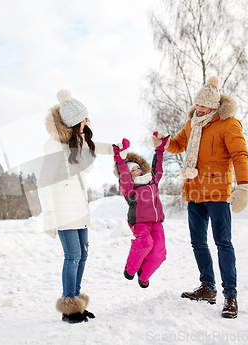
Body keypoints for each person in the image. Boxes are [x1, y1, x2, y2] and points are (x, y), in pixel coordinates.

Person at [154, 76, 248, 319]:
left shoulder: (229, 124)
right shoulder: (192, 123)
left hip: (218, 193)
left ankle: (230, 296)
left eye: (204, 106)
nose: (199, 109)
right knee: (197, 242)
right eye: (197, 104)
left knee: (223, 243)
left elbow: (240, 155)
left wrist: (244, 187)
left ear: (215, 106)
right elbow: (178, 144)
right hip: (194, 191)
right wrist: (164, 142)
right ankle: (208, 287)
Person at [38, 89, 128, 324]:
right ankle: (69, 306)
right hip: (63, 210)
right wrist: (49, 215)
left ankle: (76, 300)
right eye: (83, 119)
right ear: (72, 122)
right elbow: (43, 182)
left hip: (79, 207)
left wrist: (115, 148)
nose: (86, 122)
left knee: (83, 254)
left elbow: (94, 145)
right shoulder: (54, 146)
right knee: (73, 256)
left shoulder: (79, 141)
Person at [113, 133, 169, 289]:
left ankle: (144, 275)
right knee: (145, 243)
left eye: (138, 168)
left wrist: (159, 149)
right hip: (140, 223)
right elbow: (123, 176)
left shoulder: (152, 180)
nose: (137, 171)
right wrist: (119, 159)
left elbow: (157, 167)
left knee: (160, 253)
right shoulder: (129, 187)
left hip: (157, 222)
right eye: (133, 170)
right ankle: (130, 269)